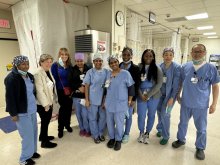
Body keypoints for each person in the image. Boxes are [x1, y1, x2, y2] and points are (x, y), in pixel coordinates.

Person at [172, 44, 219, 160]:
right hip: (186, 102)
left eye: (199, 51)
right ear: (191, 53)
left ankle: (200, 147)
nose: (196, 54)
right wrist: (178, 93)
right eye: (194, 51)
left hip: (201, 104)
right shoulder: (186, 66)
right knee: (182, 123)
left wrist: (214, 103)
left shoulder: (211, 68)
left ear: (204, 52)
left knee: (201, 127)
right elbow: (181, 81)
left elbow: (215, 86)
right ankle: (181, 139)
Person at [4, 55, 40, 165]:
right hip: (21, 112)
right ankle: (24, 159)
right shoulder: (11, 78)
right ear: (17, 65)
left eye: (27, 64)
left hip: (32, 109)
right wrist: (13, 113)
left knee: (34, 132)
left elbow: (32, 92)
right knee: (27, 135)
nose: (26, 66)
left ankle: (32, 152)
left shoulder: (29, 76)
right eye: (23, 64)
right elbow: (9, 97)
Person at [105, 56, 135, 151]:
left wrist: (129, 100)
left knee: (119, 123)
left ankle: (118, 139)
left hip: (120, 103)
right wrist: (104, 101)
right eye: (111, 63)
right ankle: (112, 138)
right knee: (109, 122)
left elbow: (131, 88)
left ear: (118, 62)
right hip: (109, 102)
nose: (113, 64)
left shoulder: (125, 73)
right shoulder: (108, 74)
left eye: (115, 62)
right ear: (109, 65)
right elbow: (106, 88)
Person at [137, 49, 163, 144]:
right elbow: (136, 82)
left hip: (154, 95)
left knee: (151, 114)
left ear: (153, 57)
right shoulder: (139, 67)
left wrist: (148, 95)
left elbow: (159, 84)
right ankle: (141, 132)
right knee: (141, 115)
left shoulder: (157, 68)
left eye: (150, 56)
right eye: (146, 56)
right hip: (141, 95)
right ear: (143, 57)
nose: (148, 58)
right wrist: (140, 94)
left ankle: (147, 133)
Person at [156, 48, 181, 145]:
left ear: (173, 56)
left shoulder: (176, 67)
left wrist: (172, 98)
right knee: (159, 112)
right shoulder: (160, 66)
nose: (168, 57)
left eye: (170, 55)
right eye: (166, 54)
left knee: (165, 114)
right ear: (163, 56)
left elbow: (176, 85)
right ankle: (160, 129)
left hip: (170, 95)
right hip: (160, 94)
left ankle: (166, 136)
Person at [83, 53, 108, 144]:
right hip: (92, 99)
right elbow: (86, 86)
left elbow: (108, 86)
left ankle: (101, 133)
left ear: (102, 62)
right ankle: (95, 135)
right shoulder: (90, 72)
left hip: (103, 99)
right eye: (96, 60)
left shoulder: (106, 72)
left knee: (103, 117)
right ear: (93, 62)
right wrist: (87, 100)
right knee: (92, 118)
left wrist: (105, 100)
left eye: (100, 61)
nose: (98, 62)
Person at [34, 54, 57, 148]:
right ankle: (44, 142)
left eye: (50, 62)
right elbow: (39, 91)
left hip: (49, 101)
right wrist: (46, 104)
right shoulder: (38, 73)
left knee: (46, 121)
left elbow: (50, 85)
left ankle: (42, 136)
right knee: (45, 121)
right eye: (47, 62)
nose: (49, 64)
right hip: (43, 104)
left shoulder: (47, 71)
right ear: (41, 62)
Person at [119, 47, 140, 143]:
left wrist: (134, 99)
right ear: (121, 55)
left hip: (130, 97)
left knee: (128, 116)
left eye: (128, 54)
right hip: (120, 97)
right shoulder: (118, 66)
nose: (126, 56)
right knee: (119, 116)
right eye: (124, 54)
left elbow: (137, 85)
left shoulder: (135, 68)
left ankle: (126, 133)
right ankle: (120, 131)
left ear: (131, 55)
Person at [51, 48, 73, 138]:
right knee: (63, 109)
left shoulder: (69, 65)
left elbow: (72, 78)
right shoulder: (55, 65)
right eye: (62, 54)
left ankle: (67, 125)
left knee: (69, 109)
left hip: (69, 91)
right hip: (60, 90)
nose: (64, 56)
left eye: (66, 54)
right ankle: (60, 129)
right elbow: (53, 79)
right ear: (59, 55)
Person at [69, 53, 91, 137]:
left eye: (81, 61)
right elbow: (70, 82)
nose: (79, 62)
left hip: (85, 96)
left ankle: (87, 129)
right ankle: (82, 129)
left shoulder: (88, 69)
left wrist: (85, 88)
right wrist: (78, 87)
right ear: (75, 61)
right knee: (78, 114)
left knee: (85, 114)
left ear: (84, 60)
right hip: (76, 96)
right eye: (77, 61)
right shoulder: (72, 70)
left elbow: (90, 81)